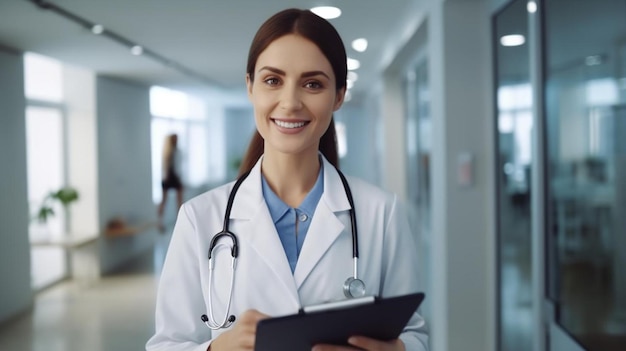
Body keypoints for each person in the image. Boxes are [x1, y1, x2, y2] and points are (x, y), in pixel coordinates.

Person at [146, 8, 428, 351]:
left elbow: (414, 335)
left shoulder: (381, 212)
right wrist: (215, 348)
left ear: (338, 95)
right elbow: (166, 344)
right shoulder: (199, 218)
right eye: (272, 80)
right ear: (250, 87)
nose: (290, 102)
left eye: (313, 84)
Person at [157, 133, 184, 231]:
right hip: (168, 178)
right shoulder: (167, 152)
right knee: (164, 201)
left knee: (180, 202)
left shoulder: (178, 151)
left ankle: (181, 222)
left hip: (176, 178)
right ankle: (159, 222)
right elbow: (166, 168)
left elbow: (179, 166)